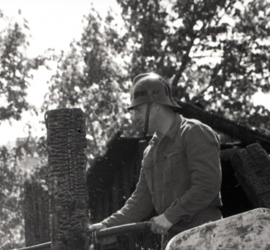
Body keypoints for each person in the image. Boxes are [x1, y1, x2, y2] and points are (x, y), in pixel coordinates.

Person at [89, 72, 222, 240]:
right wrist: (107, 225)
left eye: (138, 110)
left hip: (206, 235)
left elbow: (207, 184)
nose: (135, 117)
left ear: (156, 106)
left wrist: (170, 216)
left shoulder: (194, 132)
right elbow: (140, 201)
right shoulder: (151, 151)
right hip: (173, 240)